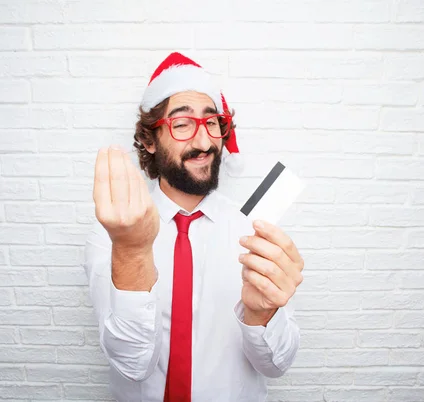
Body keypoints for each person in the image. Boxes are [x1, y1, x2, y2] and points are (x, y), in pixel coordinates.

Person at [83, 52, 304, 402]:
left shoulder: (254, 231)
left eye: (211, 123)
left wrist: (262, 314)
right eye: (182, 124)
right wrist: (131, 251)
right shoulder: (113, 234)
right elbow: (132, 364)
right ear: (150, 140)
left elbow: (276, 365)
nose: (203, 143)